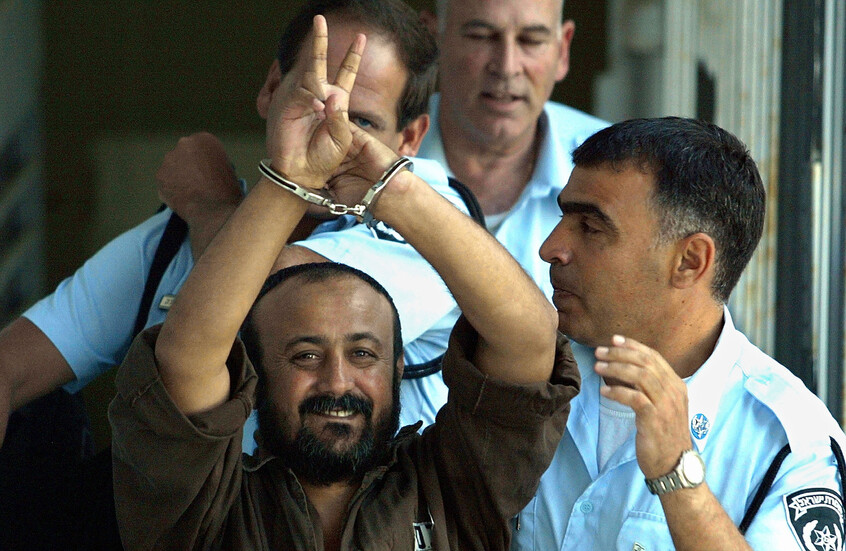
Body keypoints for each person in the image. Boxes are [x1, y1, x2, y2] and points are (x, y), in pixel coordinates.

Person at [109, 16, 579, 550]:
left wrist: (390, 186)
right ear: (255, 374)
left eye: (363, 354)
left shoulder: (452, 490)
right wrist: (290, 181)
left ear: (398, 367)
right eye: (306, 356)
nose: (337, 382)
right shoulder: (205, 506)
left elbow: (529, 339)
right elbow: (188, 355)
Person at [0, 0, 462, 451]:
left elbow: (286, 300)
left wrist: (210, 207)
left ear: (409, 139)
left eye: (360, 121)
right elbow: (11, 367)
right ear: (271, 89)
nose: (332, 137)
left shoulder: (431, 218)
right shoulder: (172, 240)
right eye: (317, 104)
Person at [511, 117, 845, 550]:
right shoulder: (527, 368)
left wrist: (678, 474)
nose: (550, 248)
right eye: (564, 216)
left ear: (690, 261)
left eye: (591, 228)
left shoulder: (788, 442)